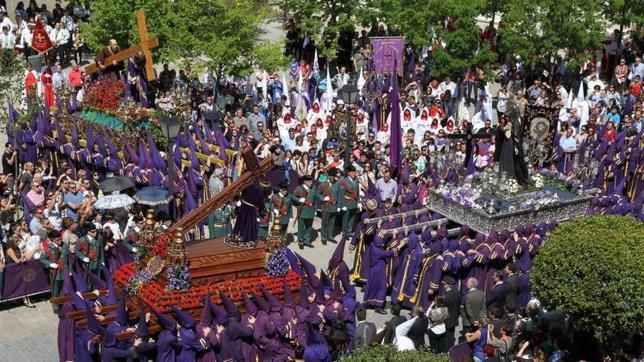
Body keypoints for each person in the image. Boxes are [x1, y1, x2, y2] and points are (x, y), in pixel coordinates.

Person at [294, 175, 317, 249]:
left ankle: (307, 241)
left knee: (309, 227)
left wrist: (315, 210)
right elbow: (292, 196)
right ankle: (301, 242)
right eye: (309, 181)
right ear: (305, 181)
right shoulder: (299, 188)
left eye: (311, 181)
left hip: (311, 210)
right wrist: (299, 200)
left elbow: (315, 199)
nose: (311, 183)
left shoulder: (314, 187)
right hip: (302, 211)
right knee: (301, 227)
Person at [442, 275, 461, 351]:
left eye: (444, 284)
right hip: (454, 318)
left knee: (446, 337)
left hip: (447, 319)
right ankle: (451, 350)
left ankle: (446, 351)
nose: (443, 285)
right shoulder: (457, 293)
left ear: (447, 285)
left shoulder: (446, 297)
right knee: (451, 336)